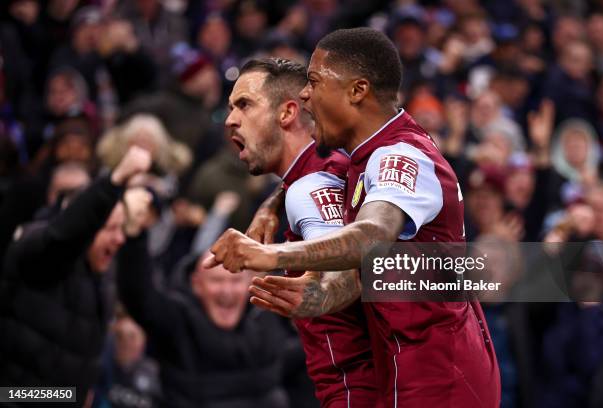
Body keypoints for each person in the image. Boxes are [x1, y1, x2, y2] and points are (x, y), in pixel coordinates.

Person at [205, 27, 501, 407]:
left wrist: (271, 255)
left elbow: (370, 236)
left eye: (313, 81)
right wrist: (274, 203)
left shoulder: (392, 157)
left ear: (357, 91)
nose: (307, 94)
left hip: (424, 378)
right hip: (422, 368)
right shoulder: (363, 159)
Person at [224, 57, 377, 407]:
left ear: (287, 113)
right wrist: (273, 202)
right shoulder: (324, 170)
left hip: (358, 388)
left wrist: (305, 288)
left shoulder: (309, 187)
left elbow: (347, 268)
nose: (231, 119)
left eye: (244, 105)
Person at [0, 145, 152, 406]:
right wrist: (116, 179)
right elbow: (63, 237)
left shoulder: (101, 270)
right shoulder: (35, 247)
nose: (119, 238)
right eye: (109, 228)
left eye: (121, 228)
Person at [116, 191, 290, 408]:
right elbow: (138, 295)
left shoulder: (266, 317)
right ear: (196, 284)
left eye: (234, 282)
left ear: (248, 284)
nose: (226, 291)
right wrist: (133, 236)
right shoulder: (178, 319)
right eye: (216, 281)